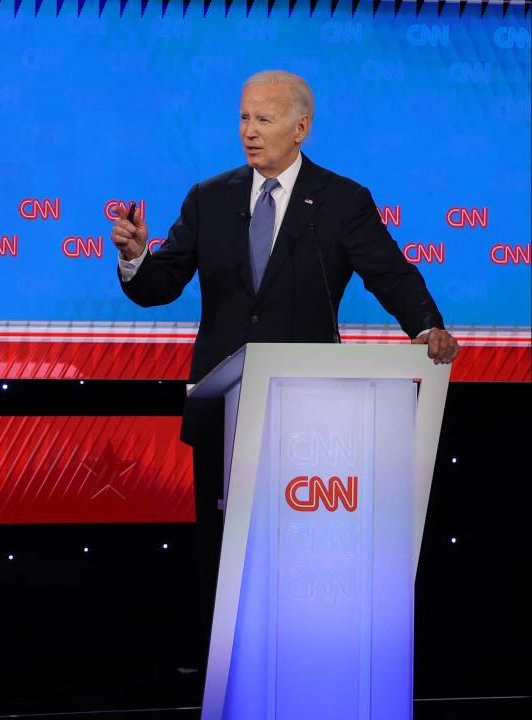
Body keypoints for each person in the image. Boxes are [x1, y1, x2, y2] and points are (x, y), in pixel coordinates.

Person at [110, 70, 458, 666]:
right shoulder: (208, 197)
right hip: (224, 412)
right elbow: (161, 286)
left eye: (263, 120)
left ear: (301, 128)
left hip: (309, 415)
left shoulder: (342, 201)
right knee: (221, 550)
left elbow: (390, 272)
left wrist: (426, 325)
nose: (249, 132)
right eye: (243, 118)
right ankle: (225, 666)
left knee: (297, 549)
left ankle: (302, 661)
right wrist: (138, 255)